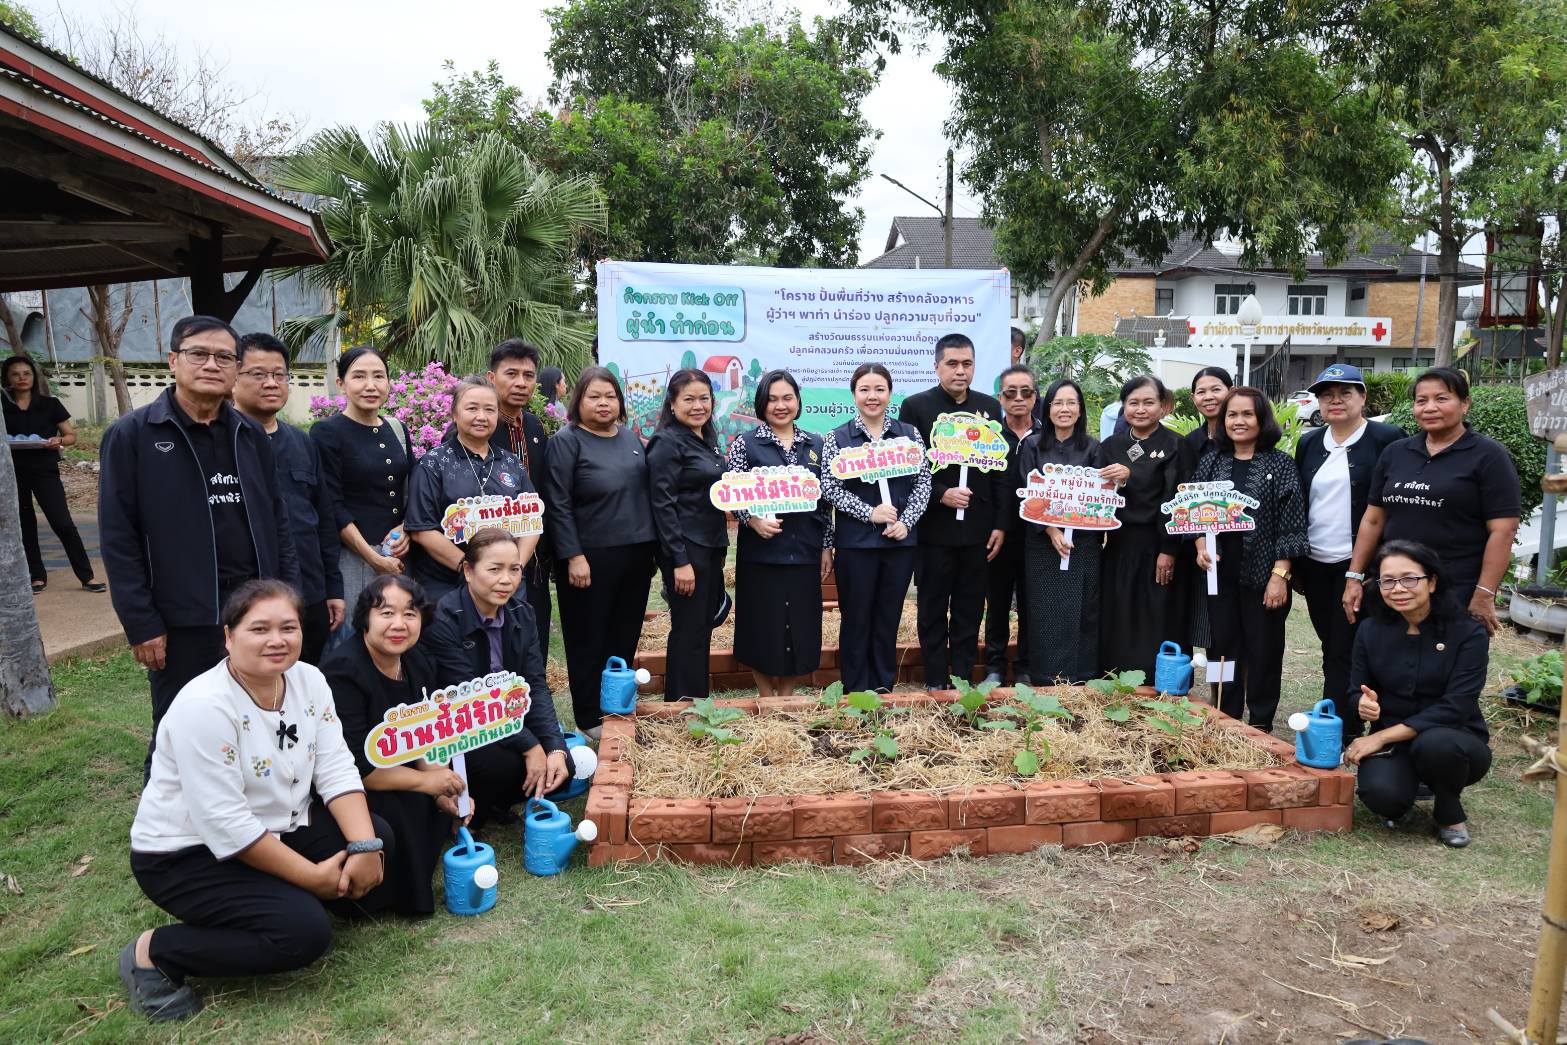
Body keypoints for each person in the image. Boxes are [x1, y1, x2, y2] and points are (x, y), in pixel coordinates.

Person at [122, 580, 390, 1022]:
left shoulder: (309, 679)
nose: (277, 640)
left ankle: (289, 897)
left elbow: (335, 767)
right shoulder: (203, 707)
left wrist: (365, 847)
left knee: (381, 838)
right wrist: (311, 878)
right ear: (228, 637)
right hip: (187, 855)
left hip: (280, 826)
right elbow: (227, 823)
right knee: (303, 934)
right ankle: (153, 953)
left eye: (289, 627)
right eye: (259, 629)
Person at [99, 315, 299, 743]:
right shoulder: (133, 435)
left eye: (225, 356)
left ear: (235, 368)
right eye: (198, 354)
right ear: (173, 360)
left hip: (253, 608)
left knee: (256, 722)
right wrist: (141, 622)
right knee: (180, 730)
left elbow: (277, 521)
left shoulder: (249, 435)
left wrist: (286, 599)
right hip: (183, 616)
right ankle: (170, 811)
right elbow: (119, 537)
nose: (212, 364)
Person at [321, 575, 461, 915]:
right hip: (353, 784)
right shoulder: (343, 671)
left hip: (400, 768)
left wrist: (439, 779)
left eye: (410, 614)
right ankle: (391, 896)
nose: (399, 624)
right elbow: (356, 767)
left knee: (448, 788)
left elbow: (427, 735)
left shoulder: (417, 659)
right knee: (406, 804)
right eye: (386, 613)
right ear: (365, 619)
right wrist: (427, 783)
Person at [1345, 367, 1521, 635]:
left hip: (1456, 587)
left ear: (1465, 404)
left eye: (1441, 398)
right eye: (1421, 400)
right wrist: (1355, 576)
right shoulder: (1396, 452)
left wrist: (1484, 593)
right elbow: (1373, 519)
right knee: (1388, 664)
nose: (1429, 407)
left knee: (1445, 667)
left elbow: (1503, 530)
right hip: (1396, 587)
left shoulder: (1488, 456)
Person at [1347, 540, 1491, 848]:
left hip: (1456, 739)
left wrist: (1380, 736)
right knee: (1380, 796)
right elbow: (1353, 689)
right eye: (1388, 581)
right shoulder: (1370, 630)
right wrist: (1362, 704)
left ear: (1433, 581)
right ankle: (1414, 783)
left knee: (1435, 744)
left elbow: (1456, 707)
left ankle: (1448, 809)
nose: (1398, 588)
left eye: (1409, 578)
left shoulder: (1468, 633)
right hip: (1396, 744)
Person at [425, 529, 572, 820]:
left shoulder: (523, 613)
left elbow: (535, 684)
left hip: (510, 714)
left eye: (514, 570)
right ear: (468, 570)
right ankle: (478, 807)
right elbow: (469, 696)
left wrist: (554, 748)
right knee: (500, 766)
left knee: (564, 766)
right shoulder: (443, 618)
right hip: (462, 724)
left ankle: (496, 802)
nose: (507, 580)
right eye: (495, 569)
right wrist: (530, 745)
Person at [541, 366, 655, 735]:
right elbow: (557, 503)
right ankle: (590, 716)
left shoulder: (631, 438)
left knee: (625, 634)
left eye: (610, 396)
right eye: (595, 396)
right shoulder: (567, 440)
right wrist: (573, 555)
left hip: (635, 556)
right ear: (579, 401)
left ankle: (618, 703)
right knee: (588, 638)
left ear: (620, 402)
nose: (603, 403)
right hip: (588, 558)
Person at [1294, 364, 1403, 741]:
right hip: (1317, 563)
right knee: (1331, 644)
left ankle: (1342, 724)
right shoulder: (1309, 442)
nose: (1335, 401)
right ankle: (1342, 715)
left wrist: (1373, 568)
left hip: (1361, 566)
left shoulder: (1387, 438)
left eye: (1345, 393)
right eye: (1327, 395)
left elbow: (1391, 505)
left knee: (1351, 645)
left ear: (1363, 397)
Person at [1191, 388, 1308, 732]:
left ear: (1261, 419)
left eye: (1247, 414)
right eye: (1231, 415)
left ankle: (1260, 722)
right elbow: (1192, 511)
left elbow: (1293, 522)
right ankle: (1223, 714)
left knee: (1264, 650)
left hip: (1264, 575)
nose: (1238, 421)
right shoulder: (1212, 461)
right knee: (1219, 649)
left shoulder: (1280, 464)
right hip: (1218, 576)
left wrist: (1280, 575)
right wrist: (1200, 544)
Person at [898, 333, 1007, 690]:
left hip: (978, 532)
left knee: (969, 608)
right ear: (937, 366)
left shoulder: (989, 408)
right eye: (952, 364)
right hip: (933, 532)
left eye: (967, 364)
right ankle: (935, 680)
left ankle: (962, 679)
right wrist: (940, 493)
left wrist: (1000, 525)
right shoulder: (916, 407)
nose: (960, 371)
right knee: (931, 608)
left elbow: (1000, 473)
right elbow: (908, 469)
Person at [231, 334, 344, 664]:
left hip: (308, 592)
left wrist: (332, 590)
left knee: (304, 683)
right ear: (234, 378)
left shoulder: (302, 442)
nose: (271, 383)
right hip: (249, 598)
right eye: (258, 374)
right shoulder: (222, 442)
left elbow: (322, 519)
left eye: (280, 375)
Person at [822, 363, 931, 692]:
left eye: (879, 390)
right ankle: (855, 688)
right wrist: (869, 513)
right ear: (854, 394)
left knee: (888, 617)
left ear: (890, 393)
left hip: (899, 545)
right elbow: (830, 488)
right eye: (865, 390)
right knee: (856, 618)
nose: (872, 397)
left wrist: (906, 522)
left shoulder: (909, 435)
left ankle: (884, 687)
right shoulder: (838, 438)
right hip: (857, 545)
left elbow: (923, 483)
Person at [441, 340, 553, 655]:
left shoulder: (533, 426)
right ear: (492, 378)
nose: (521, 383)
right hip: (482, 565)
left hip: (530, 560)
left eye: (528, 375)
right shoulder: (468, 434)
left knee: (531, 646)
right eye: (511, 374)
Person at [728, 370, 833, 697]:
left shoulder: (816, 443)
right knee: (762, 625)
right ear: (762, 403)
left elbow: (825, 501)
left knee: (799, 626)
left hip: (804, 551)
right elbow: (733, 492)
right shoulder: (746, 444)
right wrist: (753, 519)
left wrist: (826, 547)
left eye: (787, 397)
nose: (780, 405)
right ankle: (765, 695)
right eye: (772, 399)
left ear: (798, 401)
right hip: (761, 556)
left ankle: (786, 696)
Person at [406, 378, 537, 603]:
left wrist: (513, 570)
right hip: (450, 585)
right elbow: (422, 529)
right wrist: (472, 571)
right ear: (455, 414)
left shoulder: (511, 463)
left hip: (507, 588)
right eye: (472, 408)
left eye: (489, 410)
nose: (481, 417)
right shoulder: (433, 464)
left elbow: (531, 521)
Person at [1098, 375, 1193, 678]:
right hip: (1118, 544)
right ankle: (1115, 675)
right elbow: (1096, 492)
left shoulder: (1176, 445)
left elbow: (1177, 500)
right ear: (1123, 406)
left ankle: (1157, 677)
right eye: (1133, 403)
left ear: (1163, 406)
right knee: (1119, 610)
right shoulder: (1112, 445)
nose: (1140, 409)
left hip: (1157, 545)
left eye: (1148, 402)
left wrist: (1169, 550)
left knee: (1157, 611)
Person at [310, 347, 413, 625]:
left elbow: (413, 488)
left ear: (389, 383)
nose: (371, 385)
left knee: (397, 633)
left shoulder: (397, 428)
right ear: (341, 384)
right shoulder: (327, 432)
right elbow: (331, 504)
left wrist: (406, 528)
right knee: (358, 633)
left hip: (399, 553)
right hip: (354, 558)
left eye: (379, 376)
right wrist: (373, 558)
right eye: (359, 376)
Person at [1017, 377, 1110, 683]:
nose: (1064, 409)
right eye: (1058, 403)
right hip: (1043, 545)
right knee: (1045, 610)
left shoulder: (1094, 448)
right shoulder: (1032, 445)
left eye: (1071, 403)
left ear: (1081, 410)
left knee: (1084, 611)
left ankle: (1080, 675)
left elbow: (1102, 499)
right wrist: (1052, 530)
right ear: (1047, 408)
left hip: (1082, 545)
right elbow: (1027, 491)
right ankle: (1044, 675)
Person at [646, 368, 730, 701]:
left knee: (702, 627)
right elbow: (662, 505)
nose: (698, 406)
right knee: (687, 629)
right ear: (672, 403)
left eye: (704, 398)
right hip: (686, 550)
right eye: (689, 399)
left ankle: (698, 700)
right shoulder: (666, 442)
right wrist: (679, 561)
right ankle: (681, 703)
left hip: (710, 546)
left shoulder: (705, 438)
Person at [2, 354, 103, 594]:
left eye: (26, 373)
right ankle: (37, 577)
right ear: (7, 378)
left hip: (45, 470)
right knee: (25, 524)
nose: (22, 378)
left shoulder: (50, 404)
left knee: (63, 523)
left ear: (34, 377)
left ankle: (86, 576)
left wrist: (58, 440)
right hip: (12, 472)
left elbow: (71, 435)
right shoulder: (2, 406)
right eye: (15, 374)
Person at [984, 364, 1043, 683]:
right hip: (998, 535)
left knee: (1031, 604)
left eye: (1026, 392)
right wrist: (996, 525)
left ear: (1035, 397)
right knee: (997, 602)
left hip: (1039, 536)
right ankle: (994, 666)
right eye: (1011, 392)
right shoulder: (988, 437)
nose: (1018, 398)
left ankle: (1025, 667)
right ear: (1000, 397)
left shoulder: (1047, 436)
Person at [1185, 367, 1233, 461]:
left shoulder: (1243, 437)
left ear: (1231, 392)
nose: (1208, 397)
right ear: (1193, 398)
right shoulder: (1190, 442)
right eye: (1201, 392)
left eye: (1216, 389)